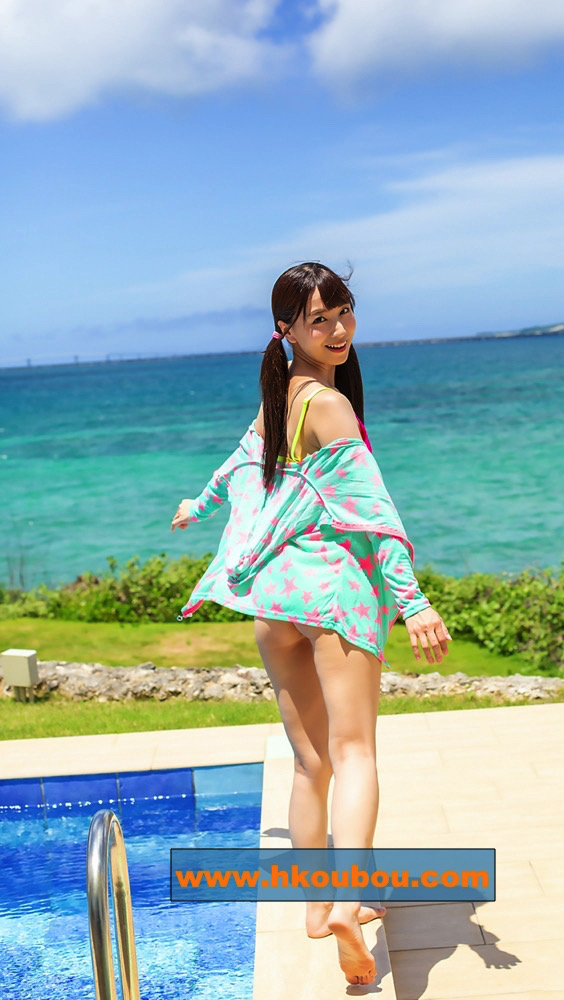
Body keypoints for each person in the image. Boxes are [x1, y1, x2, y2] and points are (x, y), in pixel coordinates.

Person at [171, 262, 452, 986]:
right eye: (319, 319)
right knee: (354, 754)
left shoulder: (277, 402)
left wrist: (197, 506)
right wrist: (414, 602)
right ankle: (351, 904)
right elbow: (374, 514)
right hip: (332, 597)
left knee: (309, 763)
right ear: (287, 329)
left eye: (344, 312)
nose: (337, 330)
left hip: (276, 603)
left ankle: (316, 905)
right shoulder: (327, 405)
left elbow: (236, 465)